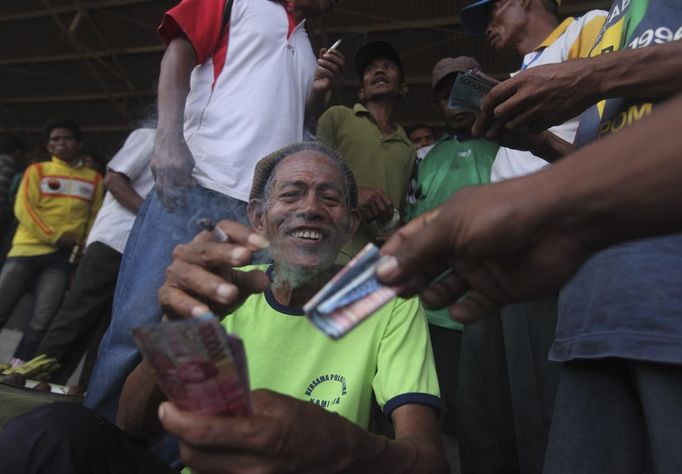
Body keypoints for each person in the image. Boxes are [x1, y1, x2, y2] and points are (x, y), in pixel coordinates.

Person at [0, 142, 447, 474]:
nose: (311, 208)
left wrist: (344, 447)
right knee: (51, 434)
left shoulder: (379, 296)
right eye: (291, 195)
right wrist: (182, 329)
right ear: (258, 218)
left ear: (350, 223)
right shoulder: (224, 285)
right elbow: (135, 427)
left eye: (329, 199)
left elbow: (429, 461)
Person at [378, 92, 682, 474]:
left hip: (660, 301)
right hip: (590, 306)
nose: (491, 29)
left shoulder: (580, 61)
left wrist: (546, 203)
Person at [85, 0, 345, 425]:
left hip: (259, 216)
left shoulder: (306, 43)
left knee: (212, 344)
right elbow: (178, 53)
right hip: (197, 190)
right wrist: (167, 138)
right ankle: (95, 443)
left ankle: (169, 454)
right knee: (142, 325)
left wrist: (315, 93)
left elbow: (290, 123)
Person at [459, 2, 608, 470]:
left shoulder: (588, 29)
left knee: (538, 394)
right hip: (497, 245)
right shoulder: (519, 71)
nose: (487, 27)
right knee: (485, 396)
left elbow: (610, 142)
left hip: (546, 235)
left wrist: (542, 142)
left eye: (492, 10)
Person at [407, 55, 512, 472]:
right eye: (442, 92)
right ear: (435, 104)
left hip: (492, 303)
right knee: (439, 407)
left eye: (461, 87)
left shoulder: (509, 147)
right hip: (435, 312)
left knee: (489, 415)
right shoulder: (426, 157)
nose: (452, 99)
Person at [33, 128, 156, 387]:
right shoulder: (150, 135)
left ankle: (89, 391)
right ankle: (37, 378)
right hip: (114, 241)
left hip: (142, 251)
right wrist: (153, 218)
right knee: (78, 313)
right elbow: (114, 180)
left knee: (112, 327)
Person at [0, 120, 104, 365]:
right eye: (55, 139)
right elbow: (24, 208)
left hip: (61, 259)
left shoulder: (95, 179)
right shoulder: (36, 170)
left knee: (41, 320)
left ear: (78, 144)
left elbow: (95, 217)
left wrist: (82, 245)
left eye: (66, 138)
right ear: (48, 145)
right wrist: (55, 236)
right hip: (26, 250)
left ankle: (17, 370)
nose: (60, 143)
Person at [318, 40, 415, 263]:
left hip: (381, 260)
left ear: (403, 88)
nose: (378, 70)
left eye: (387, 66)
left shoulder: (408, 148)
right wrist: (352, 193)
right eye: (370, 69)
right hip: (330, 253)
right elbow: (309, 170)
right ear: (362, 91)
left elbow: (401, 205)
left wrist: (393, 224)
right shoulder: (338, 117)